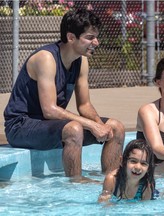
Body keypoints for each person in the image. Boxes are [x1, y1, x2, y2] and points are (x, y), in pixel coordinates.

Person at [3, 9, 125, 181]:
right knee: (73, 129)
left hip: (49, 126)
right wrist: (92, 125)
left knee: (116, 127)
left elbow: (84, 105)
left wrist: (99, 125)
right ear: (70, 37)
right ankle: (76, 183)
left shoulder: (81, 61)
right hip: (20, 126)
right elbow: (50, 110)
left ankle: (111, 181)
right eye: (90, 37)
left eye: (96, 37)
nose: (96, 42)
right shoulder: (46, 59)